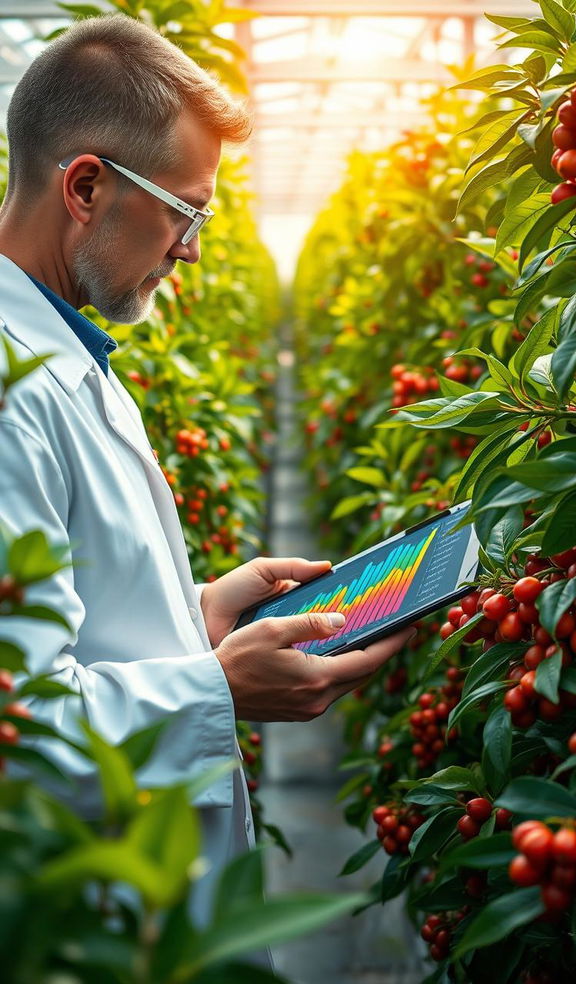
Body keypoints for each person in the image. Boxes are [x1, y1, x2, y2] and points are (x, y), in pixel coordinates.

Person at [0, 13, 415, 932]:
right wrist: (219, 687)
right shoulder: (9, 394)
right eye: (186, 210)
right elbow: (14, 733)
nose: (190, 246)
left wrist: (200, 614)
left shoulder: (61, 352)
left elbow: (71, 621)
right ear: (84, 187)